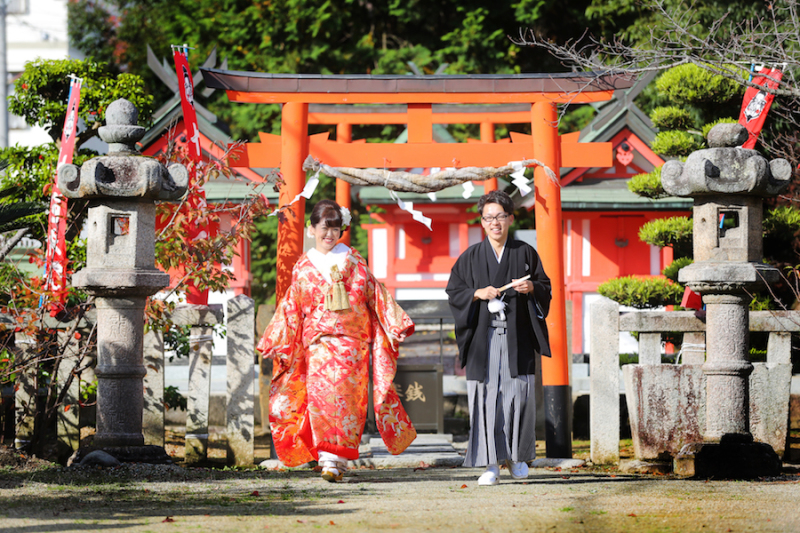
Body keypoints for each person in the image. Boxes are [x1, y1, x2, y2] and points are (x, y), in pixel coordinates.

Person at [258, 199, 417, 482]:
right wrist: (275, 338)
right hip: (318, 346)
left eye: (334, 228)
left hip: (351, 347)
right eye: (323, 228)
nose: (329, 234)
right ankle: (330, 460)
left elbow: (375, 296)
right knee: (321, 401)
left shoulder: (355, 262)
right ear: (312, 229)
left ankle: (337, 460)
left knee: (347, 405)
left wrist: (395, 323)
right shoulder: (303, 267)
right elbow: (291, 306)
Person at [446, 190, 552, 486]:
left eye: (501, 217)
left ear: (510, 219)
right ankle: (490, 463)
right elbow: (454, 292)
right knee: (486, 398)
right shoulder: (471, 257)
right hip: (485, 340)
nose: (495, 223)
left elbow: (545, 286)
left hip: (517, 339)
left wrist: (532, 287)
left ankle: (517, 458)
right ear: (482, 222)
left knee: (518, 396)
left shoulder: (525, 253)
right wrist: (477, 293)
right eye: (489, 217)